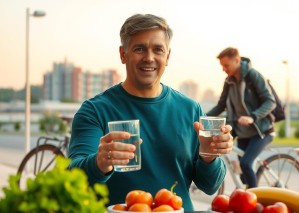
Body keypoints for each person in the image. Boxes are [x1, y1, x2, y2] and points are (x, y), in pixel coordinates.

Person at [68, 14, 233, 210]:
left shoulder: (190, 109)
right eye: (139, 49)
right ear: (123, 54)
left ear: (167, 56)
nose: (149, 58)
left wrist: (209, 156)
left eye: (158, 49)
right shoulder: (94, 111)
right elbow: (73, 177)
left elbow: (210, 185)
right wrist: (99, 162)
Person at [207, 47, 276, 188]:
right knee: (244, 175)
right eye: (222, 66)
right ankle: (251, 192)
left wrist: (253, 117)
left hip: (261, 131)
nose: (223, 69)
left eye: (226, 65)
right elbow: (221, 106)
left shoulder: (253, 76)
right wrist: (201, 117)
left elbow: (270, 101)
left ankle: (256, 202)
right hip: (242, 133)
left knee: (246, 163)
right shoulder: (228, 81)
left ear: (237, 60)